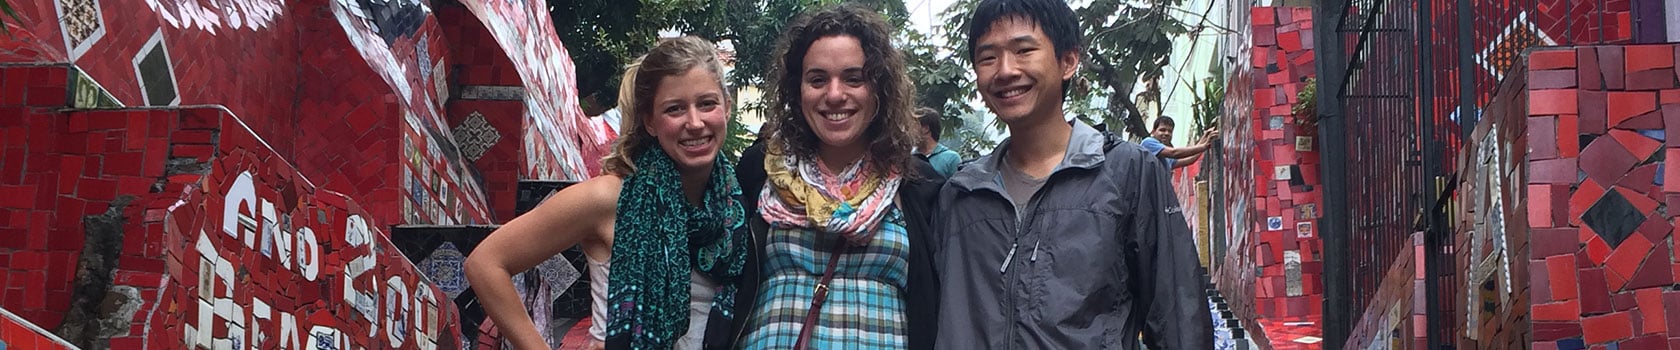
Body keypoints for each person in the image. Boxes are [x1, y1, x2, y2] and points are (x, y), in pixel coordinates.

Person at [931, 0, 1214, 348]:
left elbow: (1178, 318)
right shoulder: (961, 195)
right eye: (988, 57)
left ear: (1068, 61)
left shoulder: (1128, 172)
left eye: (1023, 50)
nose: (1004, 70)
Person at [464, 36, 752, 350]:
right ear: (650, 122)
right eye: (675, 109)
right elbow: (486, 263)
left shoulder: (737, 207)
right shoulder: (612, 198)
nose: (695, 123)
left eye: (707, 103)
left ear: (727, 106)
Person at [735, 4, 944, 349]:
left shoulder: (918, 184)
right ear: (796, 88)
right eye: (817, 79)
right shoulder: (762, 170)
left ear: (879, 89)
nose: (834, 95)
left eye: (853, 78)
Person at [1140, 116, 1219, 170]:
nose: (1167, 133)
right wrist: (1204, 146)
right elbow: (1174, 153)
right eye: (1162, 130)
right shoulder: (1148, 143)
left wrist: (1204, 138)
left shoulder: (1166, 158)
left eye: (1170, 131)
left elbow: (1191, 159)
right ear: (1153, 132)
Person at [915, 107, 962, 177]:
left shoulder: (951, 159)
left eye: (912, 127)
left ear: (925, 129)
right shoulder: (909, 157)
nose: (907, 132)